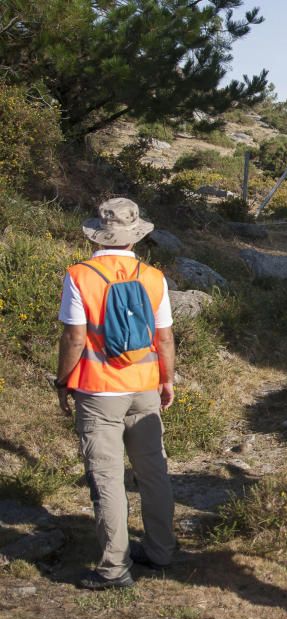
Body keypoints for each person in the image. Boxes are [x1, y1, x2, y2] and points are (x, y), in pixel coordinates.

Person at [55, 198, 176, 590]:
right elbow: (165, 338)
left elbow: (75, 338)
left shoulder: (79, 275)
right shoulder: (154, 277)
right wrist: (167, 380)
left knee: (107, 478)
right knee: (153, 472)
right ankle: (160, 551)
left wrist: (63, 380)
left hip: (98, 389)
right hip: (145, 386)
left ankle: (113, 567)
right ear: (134, 234)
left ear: (98, 234)